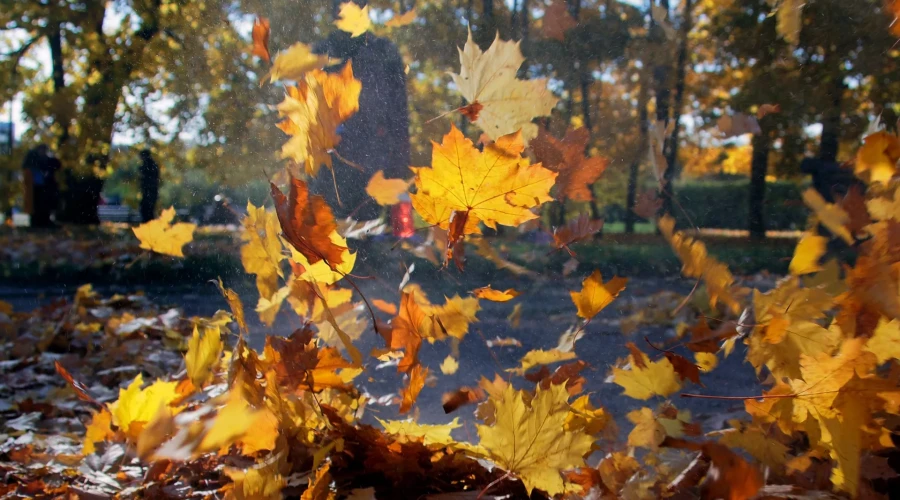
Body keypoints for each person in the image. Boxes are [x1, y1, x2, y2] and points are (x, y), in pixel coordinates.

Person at [21, 144, 55, 227]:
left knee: (43, 204)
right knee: (34, 205)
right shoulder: (33, 159)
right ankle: (36, 223)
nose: (43, 152)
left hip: (43, 186)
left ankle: (42, 222)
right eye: (42, 150)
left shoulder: (45, 160)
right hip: (34, 187)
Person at [139, 149, 160, 222]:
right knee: (148, 210)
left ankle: (148, 225)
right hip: (150, 190)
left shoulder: (149, 165)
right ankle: (149, 225)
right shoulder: (152, 165)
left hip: (149, 190)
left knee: (147, 210)